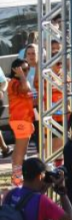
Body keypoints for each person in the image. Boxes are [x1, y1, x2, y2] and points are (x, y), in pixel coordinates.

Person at [7, 58, 36, 187]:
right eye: (23, 69)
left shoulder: (17, 82)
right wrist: (23, 76)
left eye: (27, 69)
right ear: (15, 70)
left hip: (24, 120)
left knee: (20, 151)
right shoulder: (14, 82)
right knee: (20, 152)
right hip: (20, 121)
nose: (26, 71)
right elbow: (26, 88)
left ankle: (17, 178)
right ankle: (17, 181)